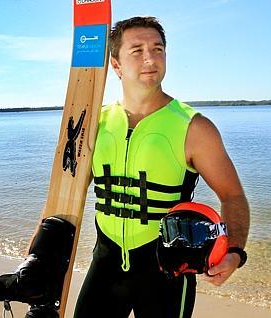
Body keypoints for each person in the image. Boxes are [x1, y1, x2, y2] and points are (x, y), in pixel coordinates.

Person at [73, 16, 250, 318]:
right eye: (137, 50)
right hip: (105, 264)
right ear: (115, 64)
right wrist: (38, 258)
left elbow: (232, 196)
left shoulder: (193, 128)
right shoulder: (93, 125)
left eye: (157, 49)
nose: (150, 59)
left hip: (168, 274)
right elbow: (64, 198)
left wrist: (234, 252)